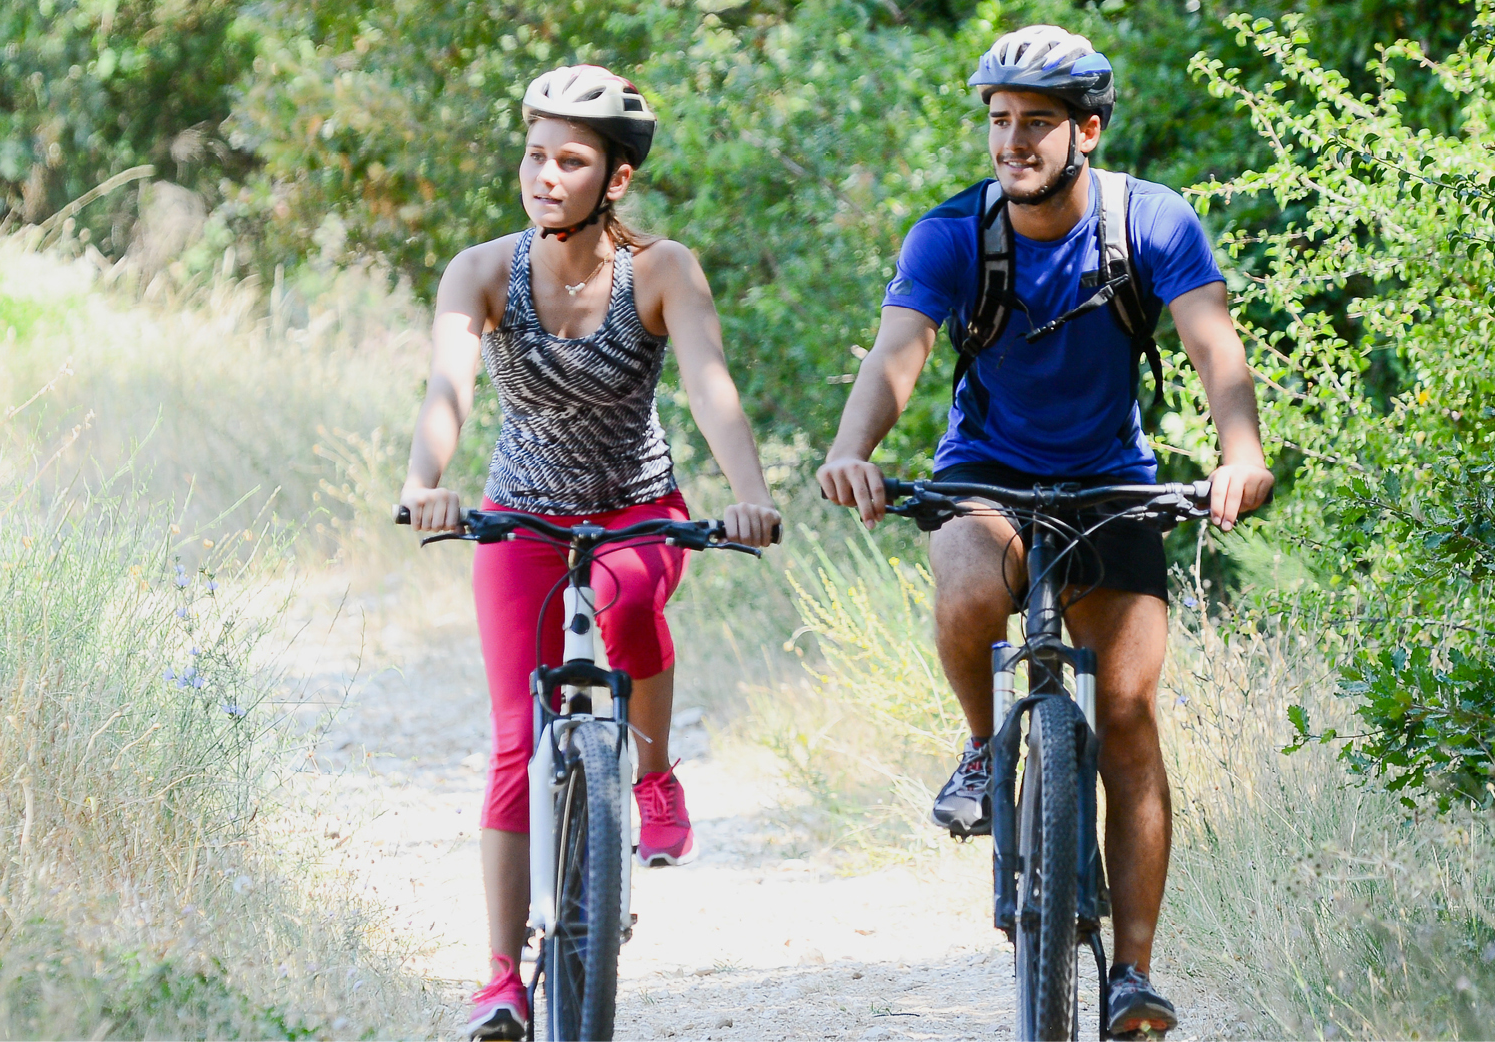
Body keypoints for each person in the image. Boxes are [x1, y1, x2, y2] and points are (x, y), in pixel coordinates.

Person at [809, 25, 1276, 1041]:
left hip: (1112, 478)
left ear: (1087, 132)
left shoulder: (1149, 222)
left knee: (1130, 711)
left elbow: (1211, 341)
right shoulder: (951, 233)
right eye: (997, 122)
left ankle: (1136, 975)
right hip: (986, 471)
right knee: (971, 584)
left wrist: (1240, 452)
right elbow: (900, 350)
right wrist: (853, 447)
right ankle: (983, 748)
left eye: (1035, 124)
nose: (1011, 143)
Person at [401, 64, 787, 1042]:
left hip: (636, 512)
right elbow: (446, 390)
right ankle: (499, 978)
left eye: (569, 160)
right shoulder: (481, 272)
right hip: (518, 521)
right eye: (534, 155)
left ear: (614, 179)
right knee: (511, 745)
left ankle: (649, 773)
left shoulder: (662, 270)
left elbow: (709, 387)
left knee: (626, 610)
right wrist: (423, 486)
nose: (543, 175)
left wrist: (749, 497)